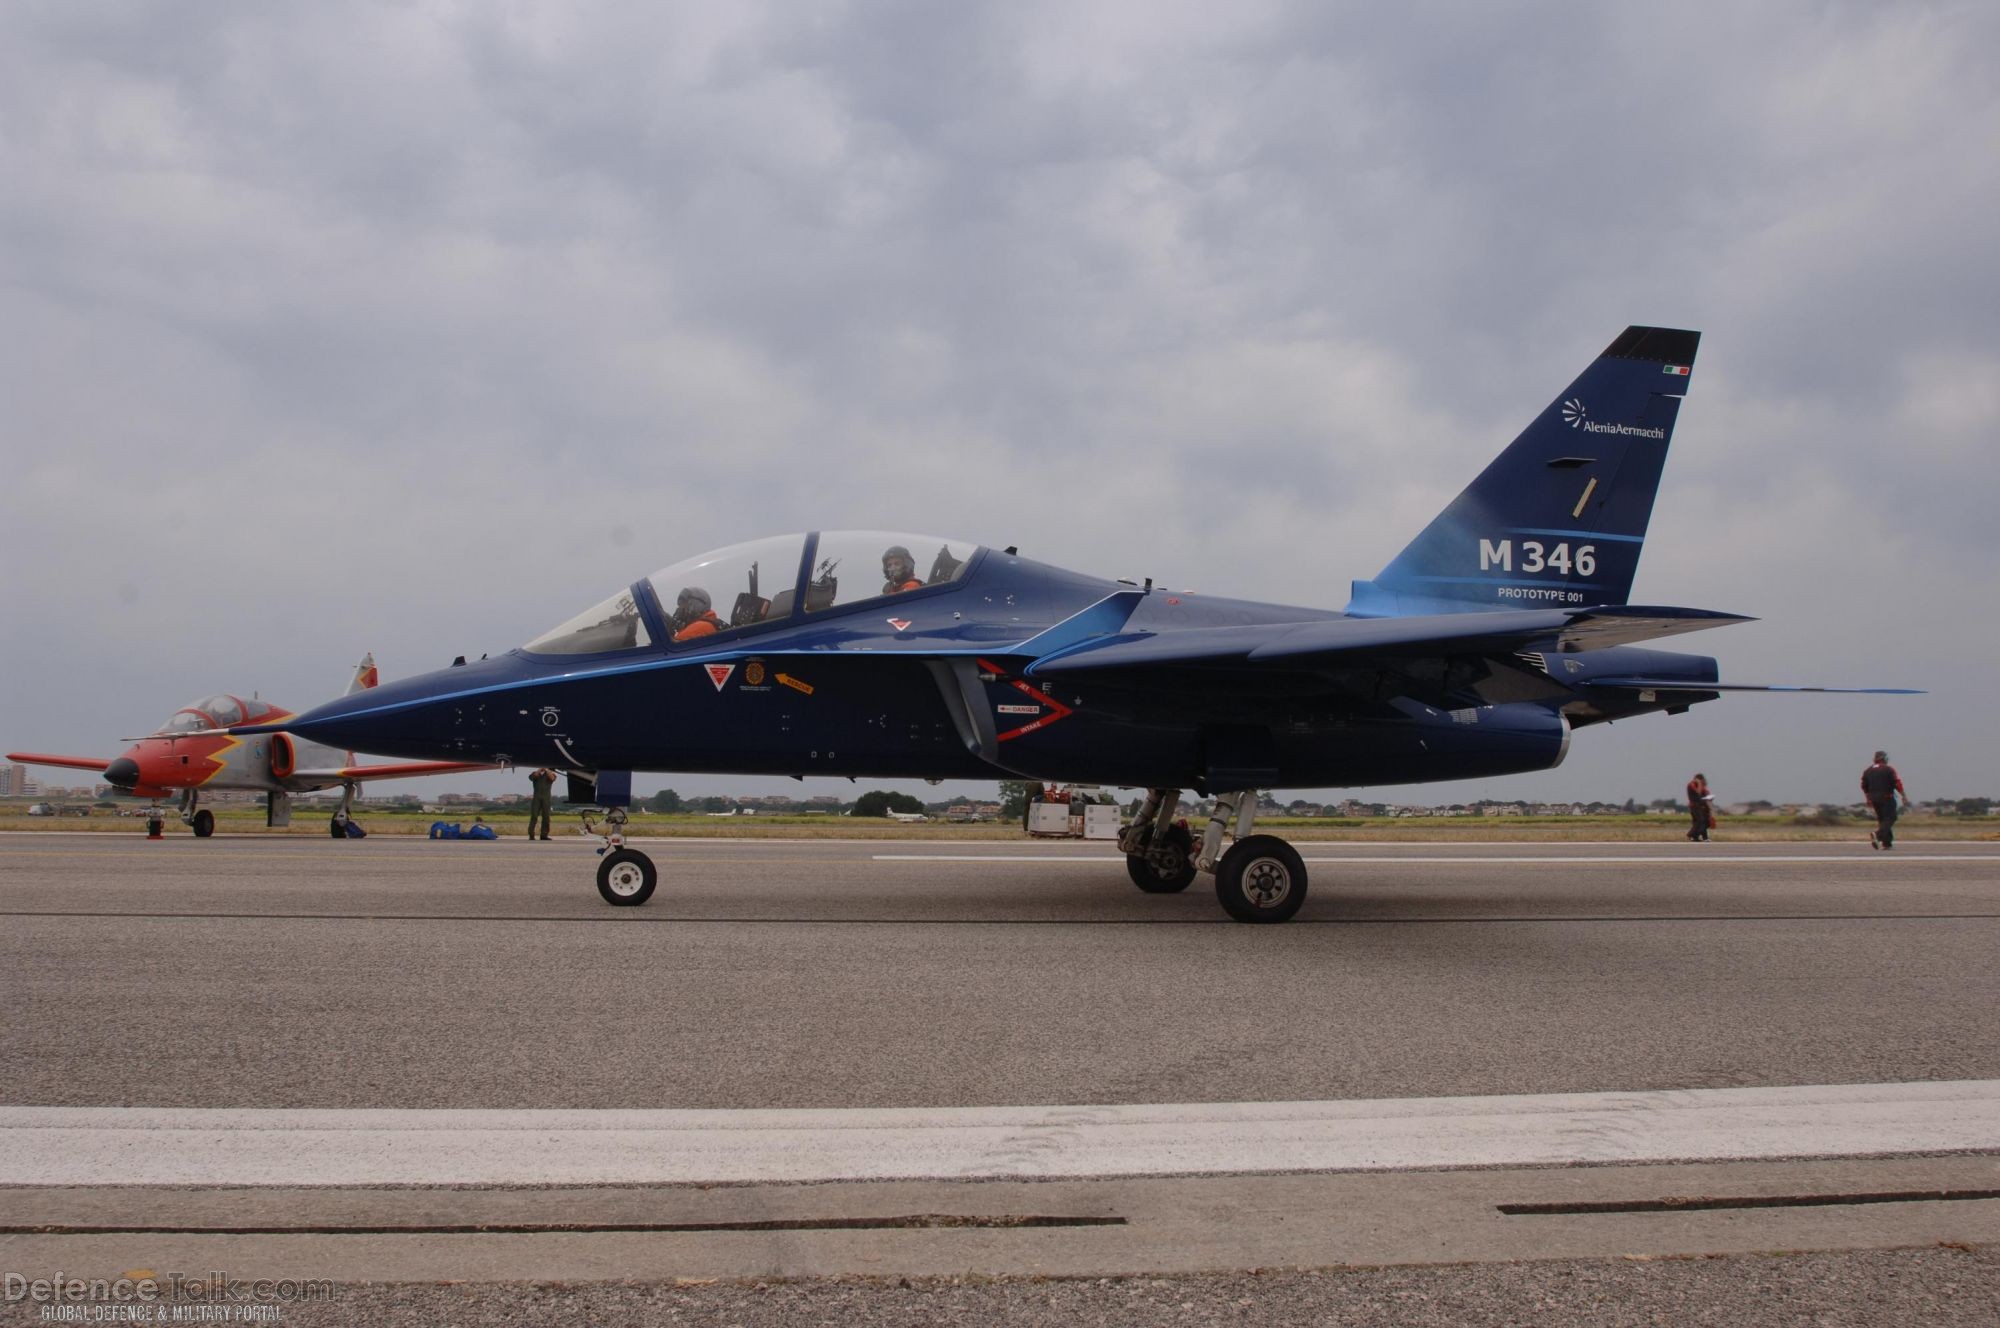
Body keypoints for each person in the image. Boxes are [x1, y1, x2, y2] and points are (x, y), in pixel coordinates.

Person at [1861, 750, 1909, 850]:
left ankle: (1887, 843)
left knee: (1882, 820)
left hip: (1874, 799)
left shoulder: (1867, 771)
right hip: (1886, 798)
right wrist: (1903, 796)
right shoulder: (1888, 769)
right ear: (1884, 759)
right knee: (1891, 818)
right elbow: (1897, 783)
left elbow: (1864, 786)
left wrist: (1868, 798)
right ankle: (1878, 835)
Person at [527, 766, 556, 841]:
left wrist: (547, 770)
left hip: (546, 798)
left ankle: (544, 835)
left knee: (546, 817)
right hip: (536, 798)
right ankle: (531, 834)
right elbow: (532, 777)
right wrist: (539, 770)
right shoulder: (535, 774)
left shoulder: (550, 774)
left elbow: (552, 778)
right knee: (534, 816)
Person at [1685, 773, 1716, 841]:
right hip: (1694, 806)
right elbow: (1698, 792)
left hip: (1700, 805)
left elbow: (1705, 793)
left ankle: (1697, 837)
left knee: (1702, 821)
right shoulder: (1691, 784)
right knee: (1700, 821)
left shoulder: (1701, 786)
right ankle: (1691, 834)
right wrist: (1699, 784)